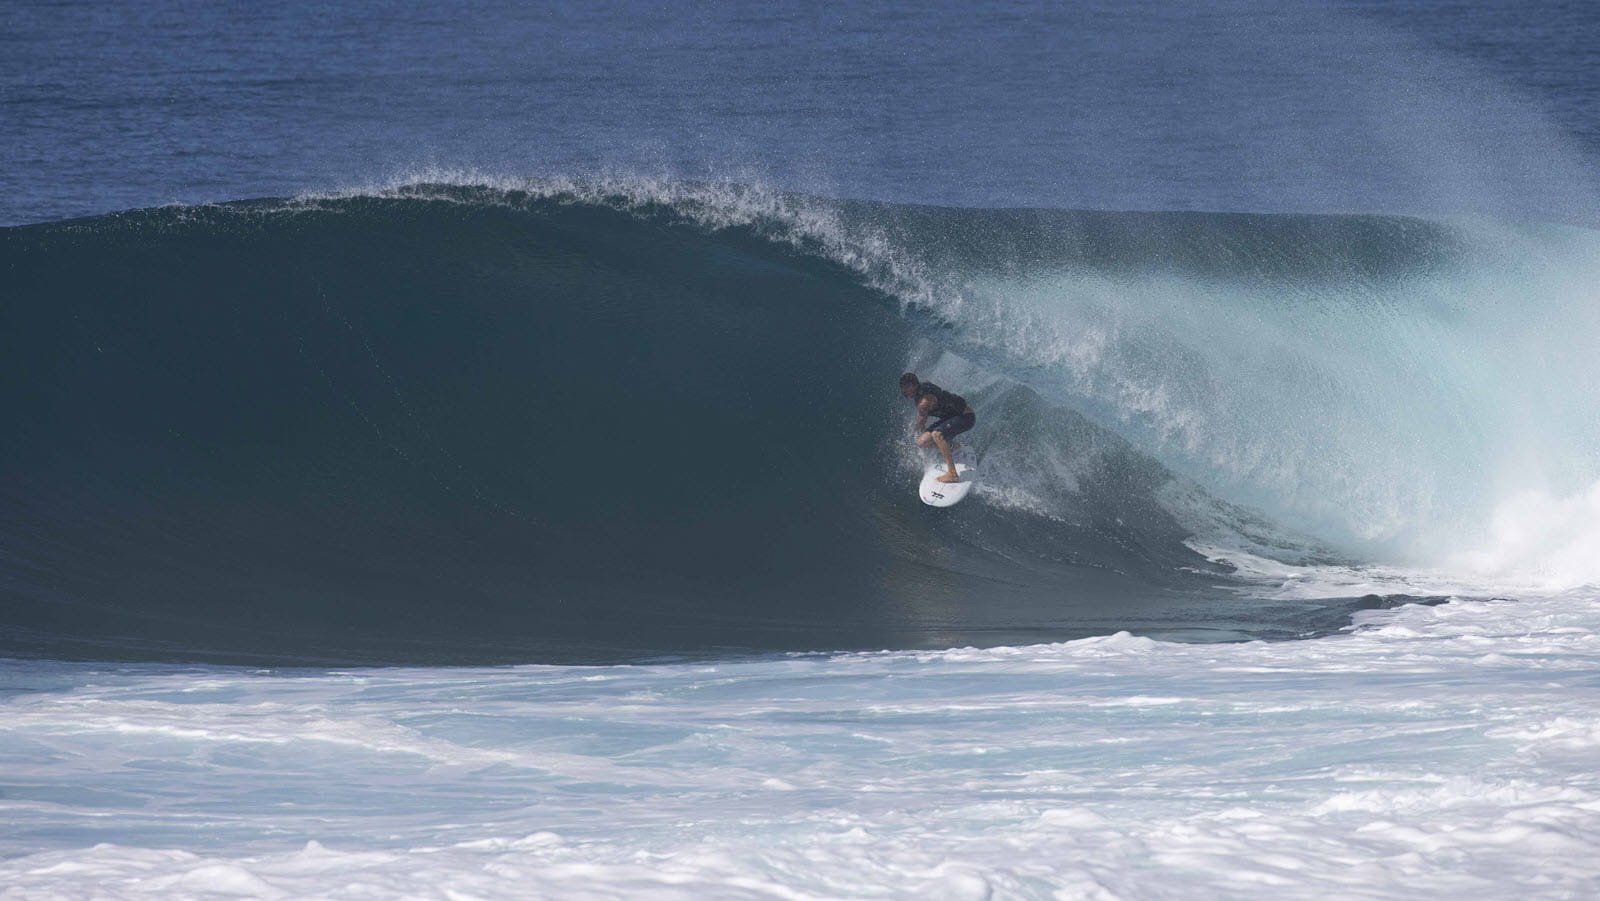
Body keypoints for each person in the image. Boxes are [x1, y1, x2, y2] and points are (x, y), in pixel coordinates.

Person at [899, 372, 975, 484]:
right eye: (902, 388)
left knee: (937, 434)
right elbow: (922, 424)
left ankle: (952, 474)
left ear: (914, 385)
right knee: (922, 442)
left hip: (965, 417)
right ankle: (954, 447)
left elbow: (921, 423)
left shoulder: (923, 402)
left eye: (906, 388)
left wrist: (915, 431)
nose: (904, 391)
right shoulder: (922, 388)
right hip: (951, 418)